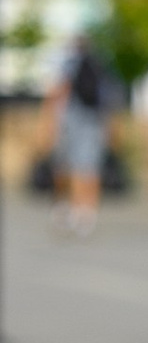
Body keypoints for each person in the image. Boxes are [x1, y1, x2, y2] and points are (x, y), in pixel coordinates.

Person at [43, 34, 113, 232]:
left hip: (72, 122)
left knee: (70, 167)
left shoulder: (69, 64)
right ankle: (88, 213)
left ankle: (70, 209)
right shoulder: (101, 66)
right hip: (94, 123)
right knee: (90, 168)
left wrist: (50, 123)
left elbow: (59, 93)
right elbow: (109, 101)